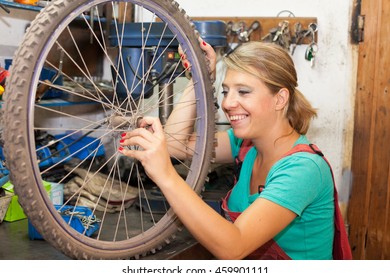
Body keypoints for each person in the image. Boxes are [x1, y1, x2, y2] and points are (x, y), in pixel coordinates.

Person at [118, 40, 337, 260]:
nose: (228, 103)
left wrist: (165, 175)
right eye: (225, 91)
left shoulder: (303, 169)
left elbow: (233, 247)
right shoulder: (245, 146)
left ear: (280, 99)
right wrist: (199, 78)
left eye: (243, 91)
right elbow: (176, 145)